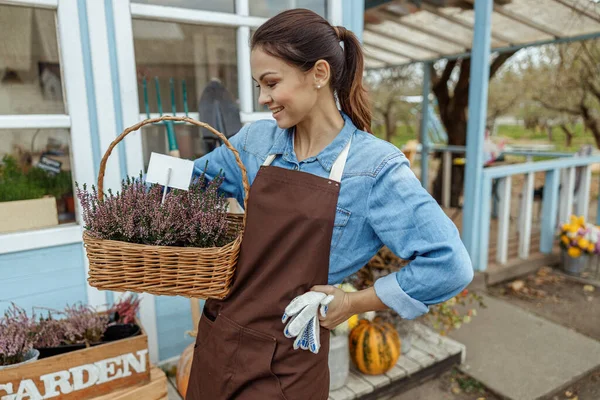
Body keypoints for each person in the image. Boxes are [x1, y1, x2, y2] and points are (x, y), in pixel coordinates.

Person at [186, 8, 473, 400]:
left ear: (319, 74)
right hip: (218, 340)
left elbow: (449, 265)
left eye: (271, 83)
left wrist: (353, 302)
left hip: (284, 367)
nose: (263, 98)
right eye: (258, 85)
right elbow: (186, 187)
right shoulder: (254, 143)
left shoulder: (373, 169)